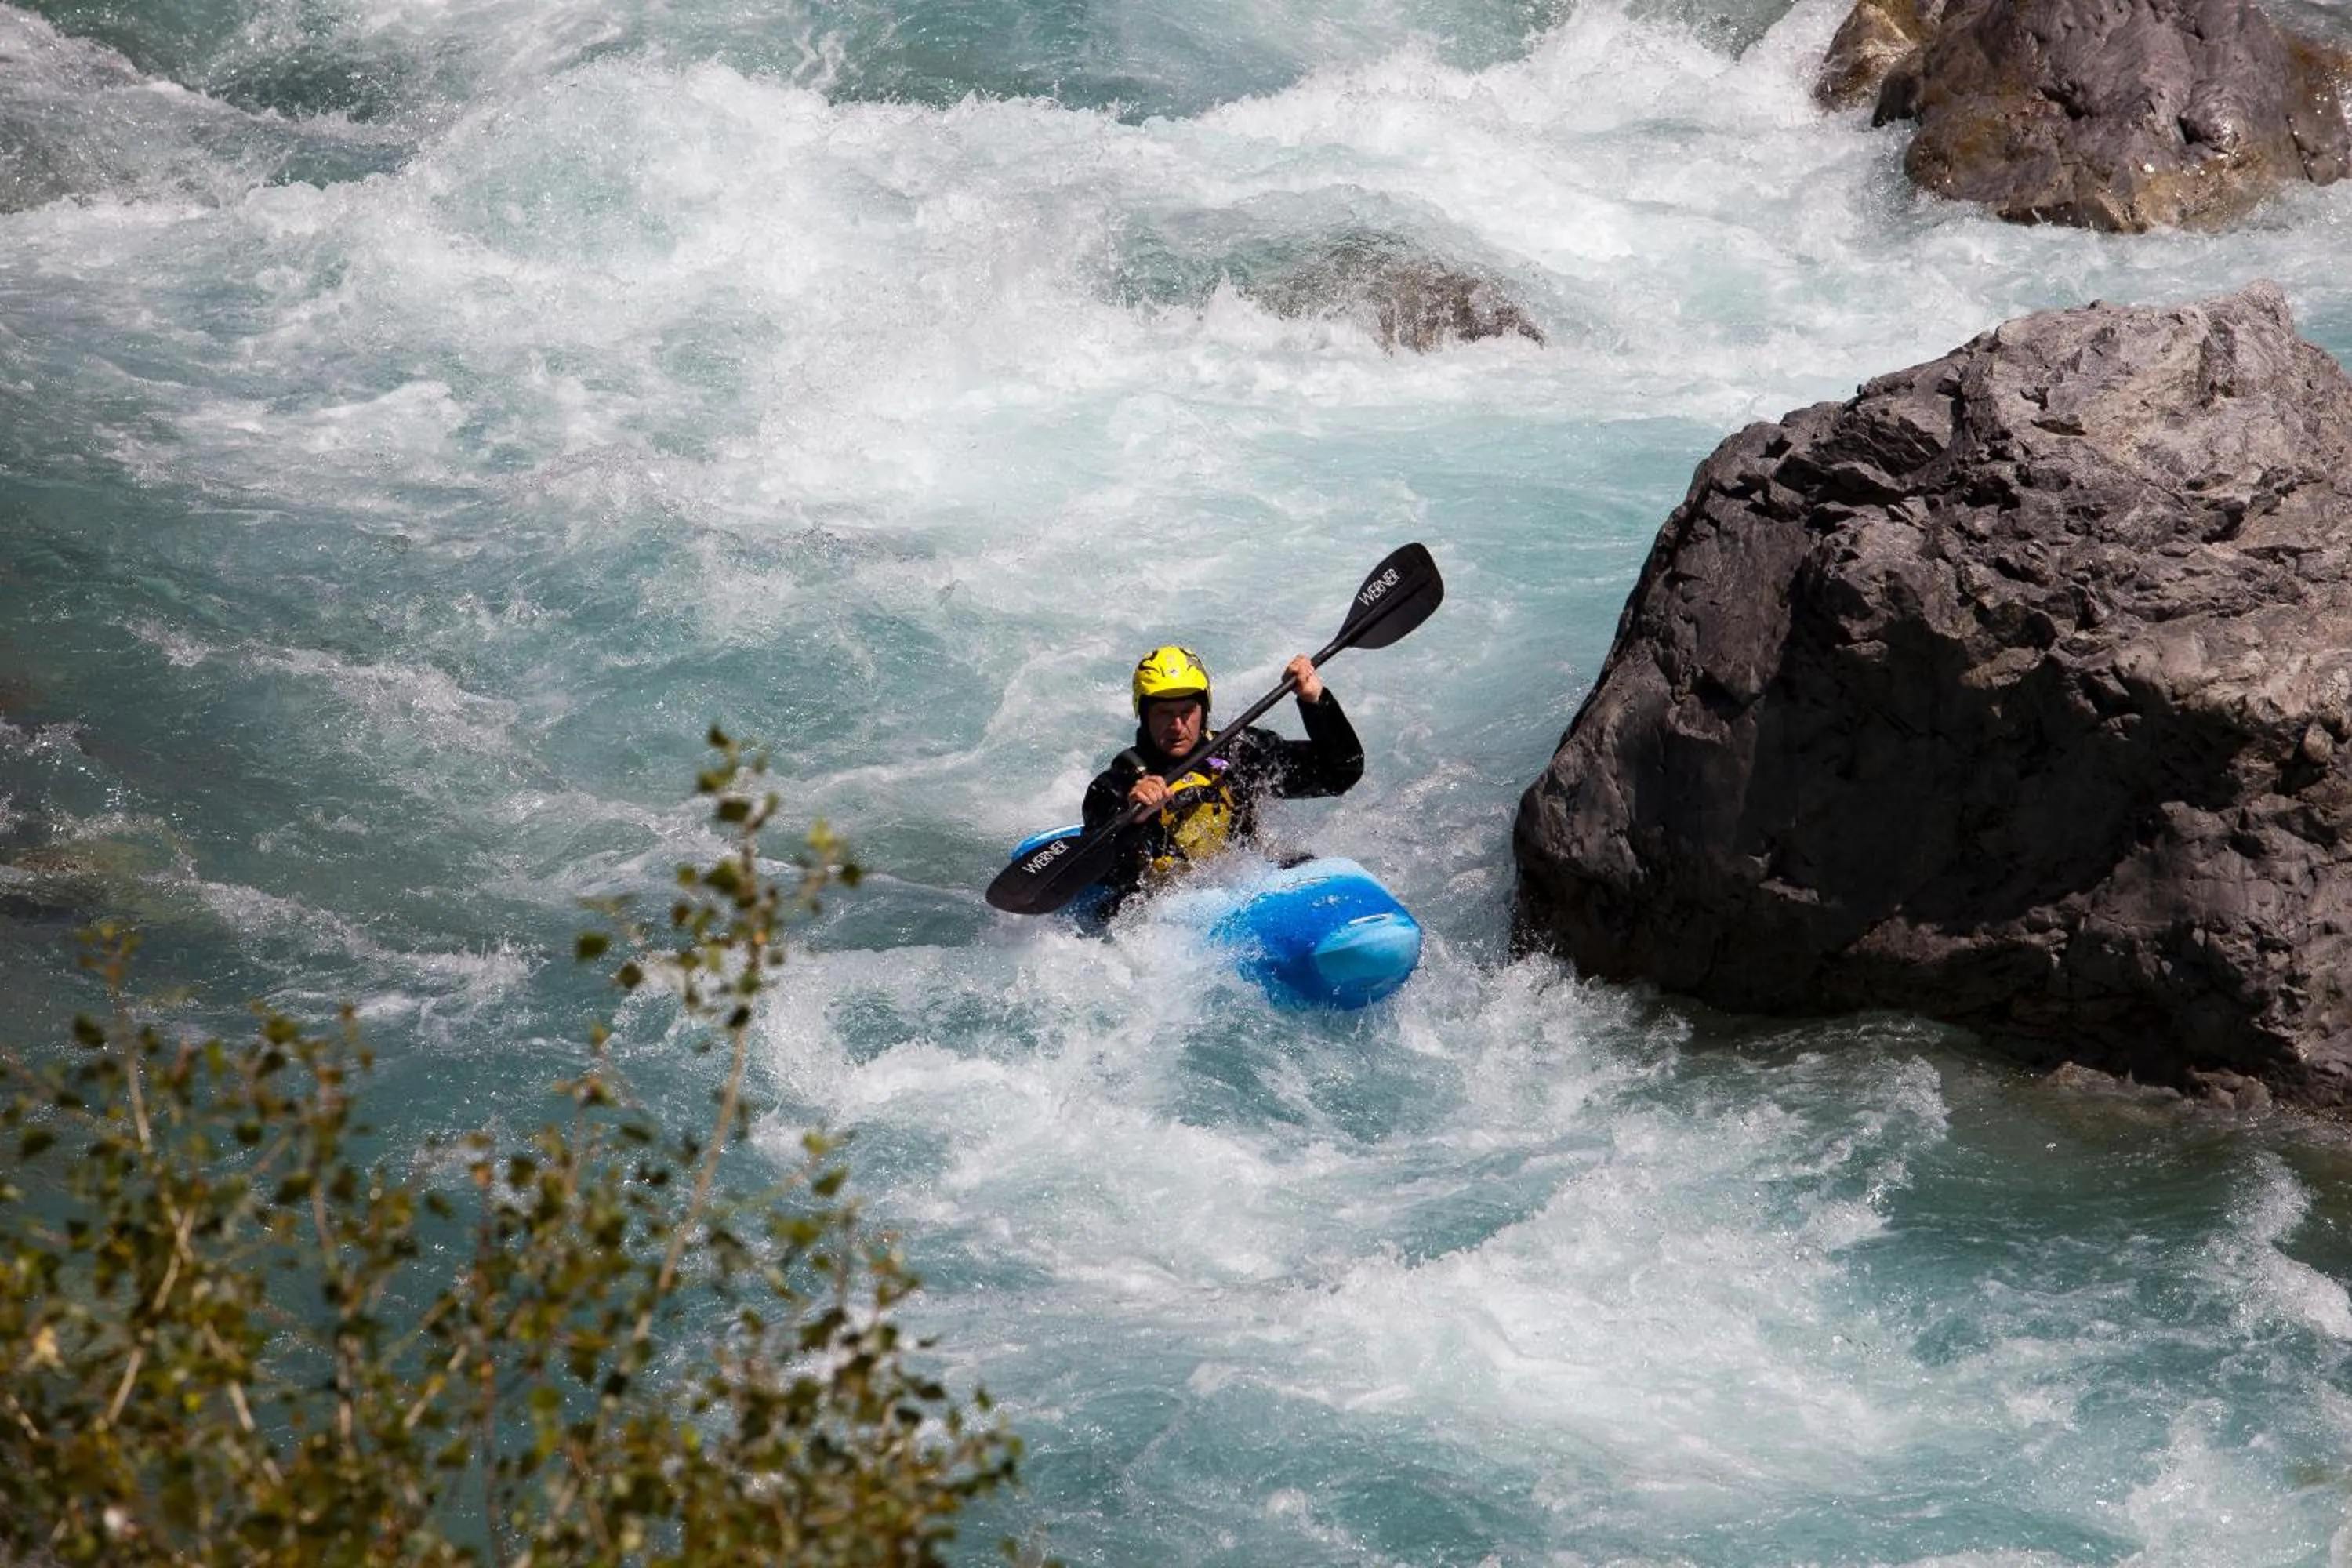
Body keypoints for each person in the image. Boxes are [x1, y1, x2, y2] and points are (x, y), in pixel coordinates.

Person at [1080, 643, 1363, 912]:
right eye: (1164, 713)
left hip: (1247, 881)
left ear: (1203, 711)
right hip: (1170, 908)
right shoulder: (1117, 786)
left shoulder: (1240, 753)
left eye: (1187, 711)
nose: (1178, 726)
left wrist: (1315, 701)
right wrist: (1135, 820)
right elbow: (1102, 875)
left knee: (1304, 861)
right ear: (1143, 714)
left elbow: (1340, 773)